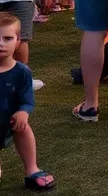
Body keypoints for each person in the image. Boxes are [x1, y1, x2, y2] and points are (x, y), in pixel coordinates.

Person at [0, 13, 53, 191]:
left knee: (24, 129)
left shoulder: (22, 72)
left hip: (10, 121)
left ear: (18, 41)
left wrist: (23, 111)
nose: (0, 43)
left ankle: (32, 169)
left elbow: (27, 99)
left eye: (7, 38)